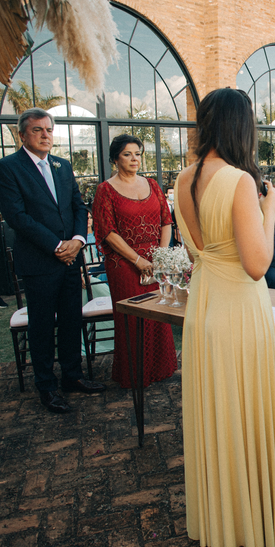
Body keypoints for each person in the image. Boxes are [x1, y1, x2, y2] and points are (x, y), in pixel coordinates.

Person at [172, 87, 275, 547]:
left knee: (219, 411)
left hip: (203, 307)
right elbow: (256, 263)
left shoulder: (181, 180)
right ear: (241, 127)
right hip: (239, 311)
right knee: (242, 408)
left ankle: (220, 515)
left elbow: (197, 251)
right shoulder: (241, 182)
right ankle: (250, 518)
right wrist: (270, 211)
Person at [0, 108, 106, 413]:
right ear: (22, 135)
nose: (45, 135)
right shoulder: (8, 168)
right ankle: (46, 386)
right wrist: (57, 245)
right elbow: (17, 217)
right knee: (42, 326)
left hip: (71, 259)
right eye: (37, 130)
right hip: (40, 261)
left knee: (71, 320)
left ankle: (72, 376)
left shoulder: (62, 165)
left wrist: (79, 240)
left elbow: (78, 207)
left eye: (49, 130)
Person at [91, 134, 178, 389]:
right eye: (128, 154)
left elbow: (166, 221)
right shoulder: (105, 190)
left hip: (156, 260)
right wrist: (138, 260)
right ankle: (135, 374)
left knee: (159, 313)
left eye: (138, 153)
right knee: (132, 319)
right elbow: (107, 231)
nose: (134, 159)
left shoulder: (152, 184)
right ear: (115, 158)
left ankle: (161, 369)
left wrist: (160, 258)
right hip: (124, 263)